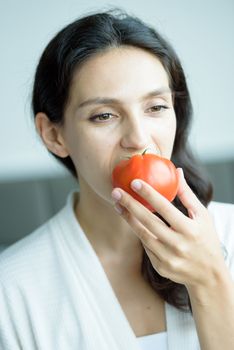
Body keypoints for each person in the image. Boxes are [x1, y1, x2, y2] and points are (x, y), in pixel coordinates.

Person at [0, 8, 233, 350]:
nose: (138, 138)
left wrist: (210, 280)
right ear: (53, 135)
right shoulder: (12, 291)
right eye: (104, 115)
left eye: (155, 107)